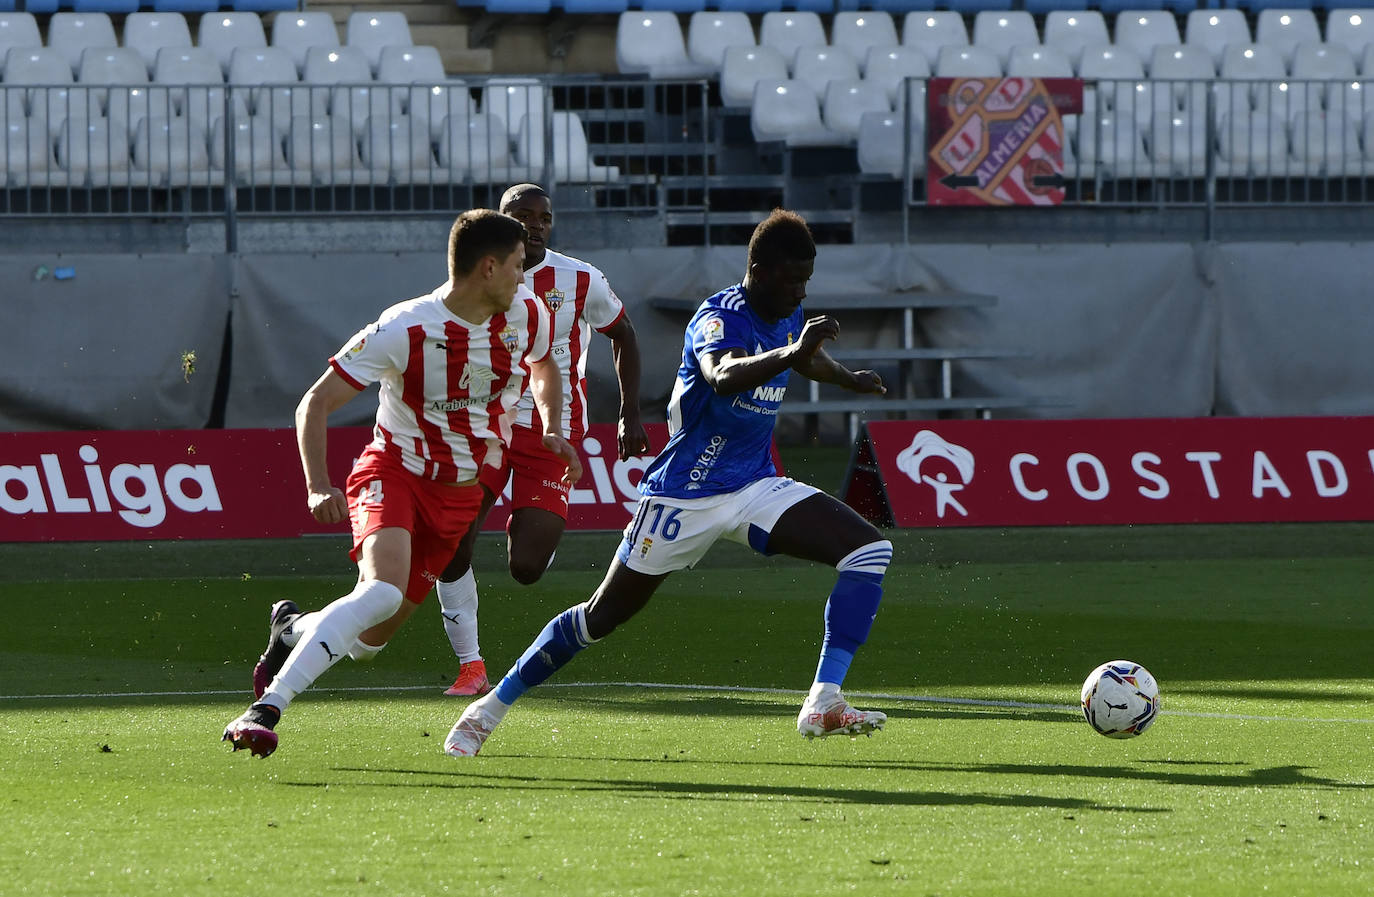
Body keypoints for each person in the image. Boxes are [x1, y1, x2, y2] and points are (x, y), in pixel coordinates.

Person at [443, 209, 895, 758]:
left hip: (754, 485)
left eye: (806, 280)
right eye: (790, 279)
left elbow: (807, 357)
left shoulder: (786, 308)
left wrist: (847, 377)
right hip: (683, 495)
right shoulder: (718, 315)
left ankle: (823, 701)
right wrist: (794, 352)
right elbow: (722, 375)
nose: (799, 290)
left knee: (868, 551)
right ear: (757, 268)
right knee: (599, 618)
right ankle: (487, 710)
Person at [222, 208, 582, 759]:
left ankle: (290, 629)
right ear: (488, 268)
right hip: (394, 473)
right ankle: (266, 709)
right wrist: (318, 485)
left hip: (458, 495)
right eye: (515, 264)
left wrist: (553, 426)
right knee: (381, 590)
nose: (523, 274)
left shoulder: (526, 313)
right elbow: (315, 402)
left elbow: (544, 366)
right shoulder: (405, 328)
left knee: (368, 643)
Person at [418, 183, 651, 698]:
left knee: (526, 568)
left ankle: (522, 516)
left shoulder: (580, 278)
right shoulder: (479, 279)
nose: (536, 225)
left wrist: (629, 412)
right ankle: (470, 665)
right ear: (501, 222)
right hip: (487, 426)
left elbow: (624, 333)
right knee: (453, 538)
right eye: (523, 216)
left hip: (556, 432)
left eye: (544, 217)